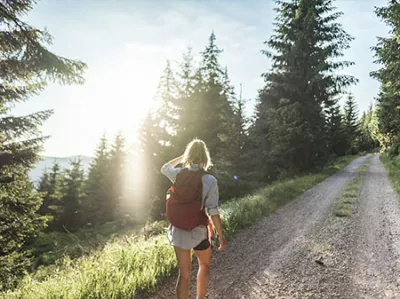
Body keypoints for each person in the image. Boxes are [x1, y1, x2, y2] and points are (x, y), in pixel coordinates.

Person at [161, 139, 226, 299]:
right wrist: (221, 236)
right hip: (199, 231)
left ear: (188, 157)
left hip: (178, 231)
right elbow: (213, 211)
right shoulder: (210, 180)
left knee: (184, 275)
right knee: (204, 265)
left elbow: (164, 168)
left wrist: (182, 157)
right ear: (206, 158)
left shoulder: (178, 175)